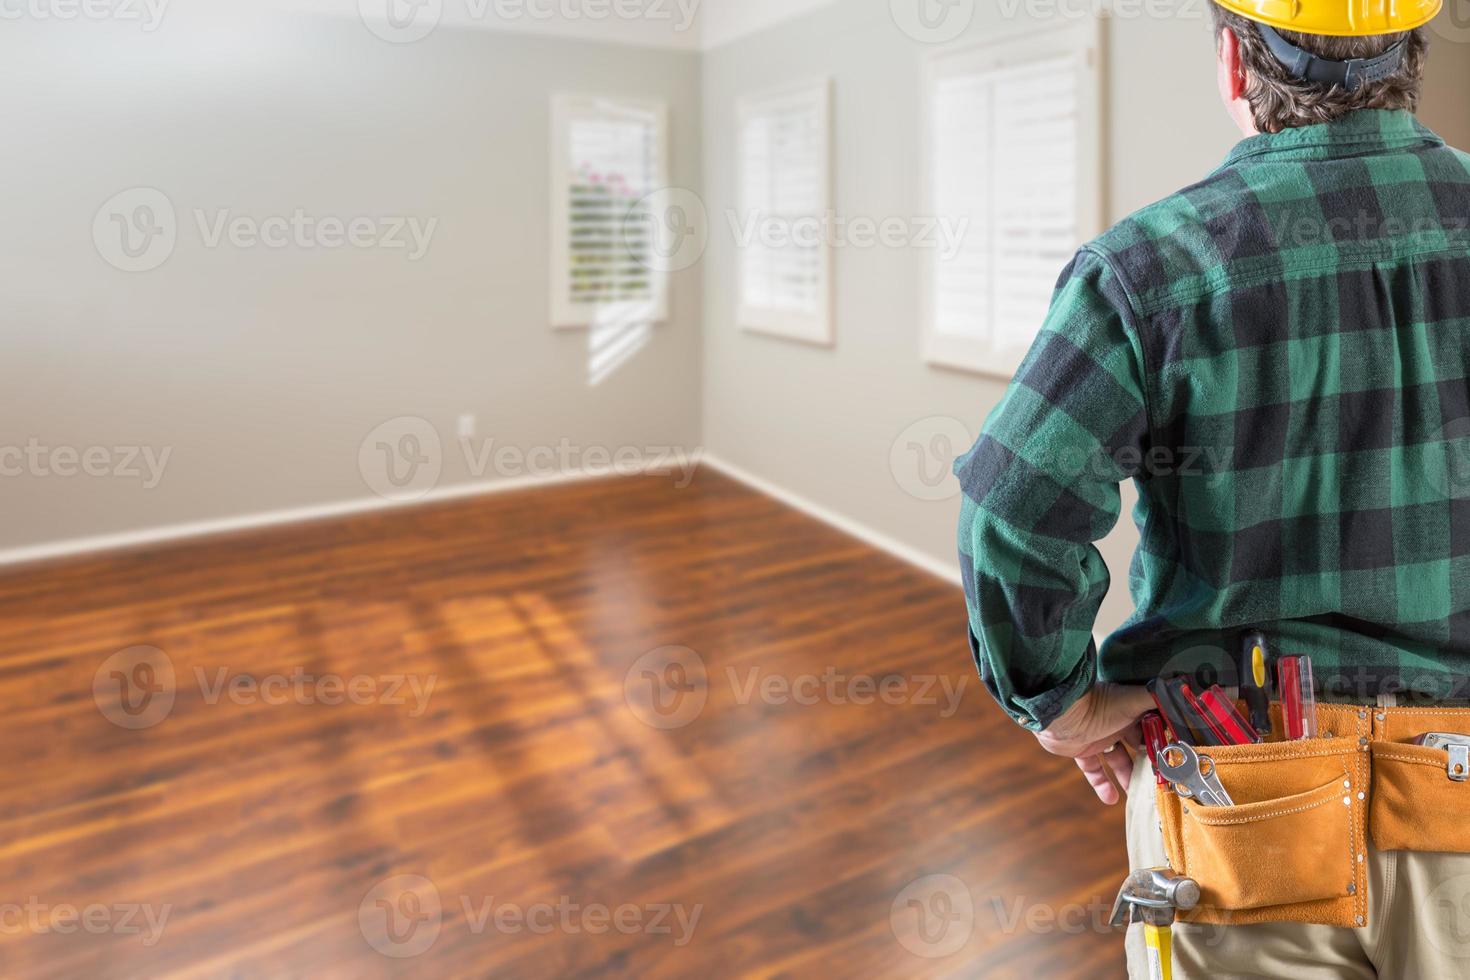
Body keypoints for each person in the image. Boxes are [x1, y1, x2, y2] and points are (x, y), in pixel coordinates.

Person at [953, 1, 1470, 975]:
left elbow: (1013, 508)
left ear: (1234, 61)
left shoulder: (1149, 268)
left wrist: (1060, 704)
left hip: (1241, 793)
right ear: (1412, 52)